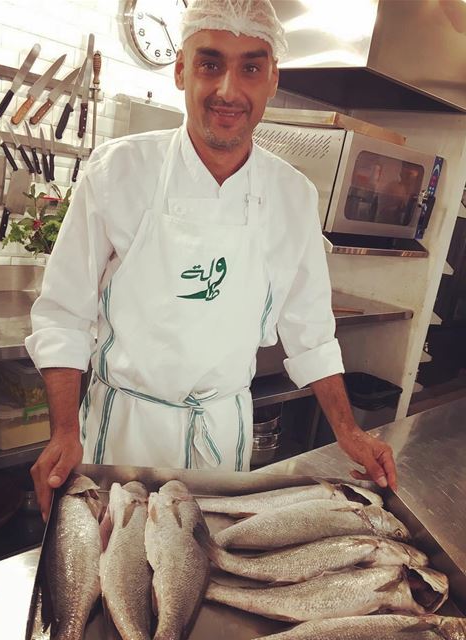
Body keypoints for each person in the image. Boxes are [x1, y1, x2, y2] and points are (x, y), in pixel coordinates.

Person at [26, 0, 397, 520]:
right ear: (181, 70)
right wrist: (64, 432)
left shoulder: (291, 195)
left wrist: (349, 431)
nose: (228, 89)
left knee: (206, 579)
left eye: (250, 66)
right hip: (124, 430)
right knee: (118, 581)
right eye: (210, 63)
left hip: (222, 435)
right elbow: (64, 312)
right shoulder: (120, 170)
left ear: (272, 79)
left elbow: (309, 328)